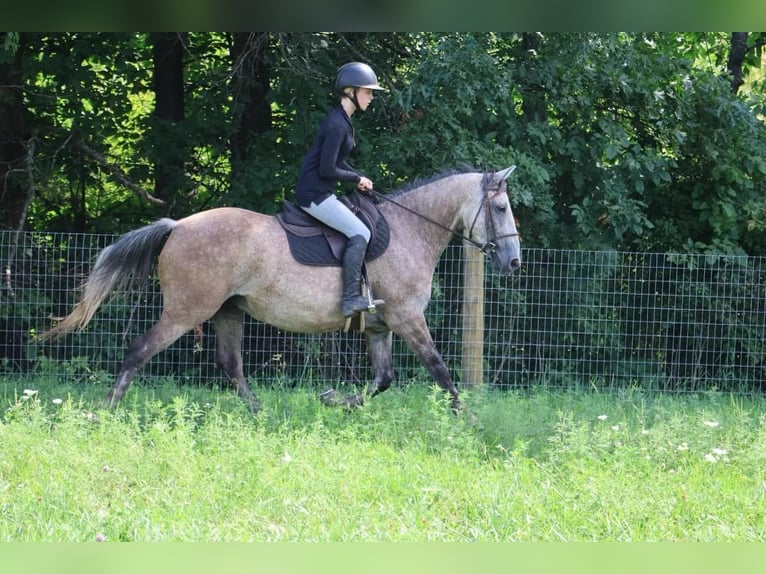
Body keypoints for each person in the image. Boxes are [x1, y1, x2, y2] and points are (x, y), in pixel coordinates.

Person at [295, 62, 386, 317]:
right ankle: (349, 299)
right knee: (360, 232)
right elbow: (326, 169)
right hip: (314, 195)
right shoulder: (337, 124)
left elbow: (336, 163)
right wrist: (356, 176)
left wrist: (358, 178)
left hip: (322, 191)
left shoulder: (343, 121)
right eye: (368, 92)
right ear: (351, 92)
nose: (371, 97)